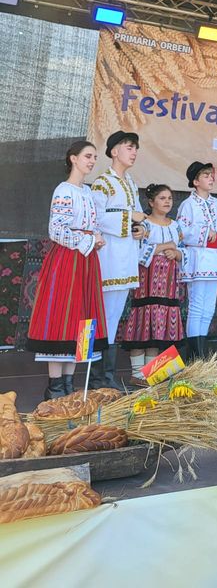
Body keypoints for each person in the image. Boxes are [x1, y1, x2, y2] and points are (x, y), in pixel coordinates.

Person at [27, 140, 108, 399]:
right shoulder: (64, 190)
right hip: (67, 260)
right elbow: (57, 231)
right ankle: (55, 385)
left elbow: (90, 225)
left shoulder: (88, 192)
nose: (92, 161)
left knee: (83, 317)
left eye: (94, 157)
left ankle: (70, 384)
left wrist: (96, 238)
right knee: (62, 315)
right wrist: (88, 240)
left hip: (86, 260)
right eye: (87, 156)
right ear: (73, 158)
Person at [90, 131, 147, 387]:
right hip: (108, 256)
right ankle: (95, 373)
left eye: (135, 148)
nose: (134, 152)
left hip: (126, 257)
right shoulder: (103, 182)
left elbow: (140, 215)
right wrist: (129, 218)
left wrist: (141, 228)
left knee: (113, 316)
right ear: (114, 151)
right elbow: (96, 217)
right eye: (129, 147)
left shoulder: (131, 183)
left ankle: (107, 375)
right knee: (100, 314)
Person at [122, 184, 186, 384]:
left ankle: (149, 373)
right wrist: (166, 246)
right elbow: (138, 251)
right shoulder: (145, 224)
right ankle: (136, 373)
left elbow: (183, 249)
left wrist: (176, 253)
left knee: (157, 328)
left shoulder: (175, 226)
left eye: (169, 198)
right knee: (143, 323)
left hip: (168, 284)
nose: (167, 202)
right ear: (151, 202)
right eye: (162, 198)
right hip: (148, 281)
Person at [177, 162, 217, 360]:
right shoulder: (188, 205)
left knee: (209, 307)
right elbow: (181, 232)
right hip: (197, 257)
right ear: (196, 181)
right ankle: (193, 354)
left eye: (211, 175)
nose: (211, 178)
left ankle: (201, 352)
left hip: (213, 257)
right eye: (206, 176)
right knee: (197, 305)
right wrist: (205, 232)